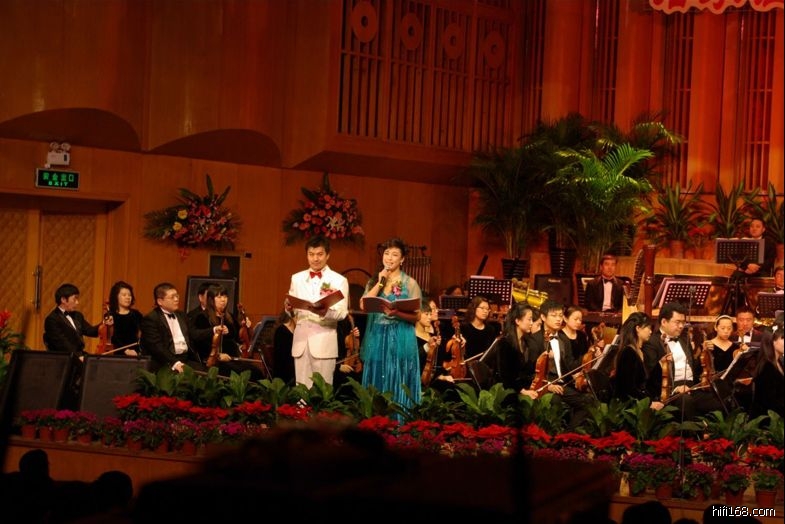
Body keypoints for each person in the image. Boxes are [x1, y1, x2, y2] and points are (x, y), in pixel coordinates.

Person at [360, 237, 422, 413]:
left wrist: (396, 313)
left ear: (402, 259)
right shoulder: (374, 281)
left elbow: (417, 316)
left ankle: (400, 421)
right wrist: (380, 282)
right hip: (378, 336)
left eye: (395, 254)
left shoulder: (410, 283)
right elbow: (364, 305)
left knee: (399, 375)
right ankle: (375, 421)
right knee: (377, 376)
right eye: (386, 253)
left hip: (401, 335)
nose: (389, 258)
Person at [285, 235, 349, 388]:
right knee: (302, 391)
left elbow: (342, 313)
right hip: (301, 342)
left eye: (320, 254)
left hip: (324, 341)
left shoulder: (339, 280)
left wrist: (323, 311)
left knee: (323, 390)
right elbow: (293, 312)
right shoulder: (297, 278)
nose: (315, 258)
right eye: (311, 254)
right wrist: (289, 309)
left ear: (327, 255)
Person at [642, 302, 723, 420]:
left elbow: (693, 369)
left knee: (719, 400)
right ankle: (693, 431)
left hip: (691, 387)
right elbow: (651, 376)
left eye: (683, 322)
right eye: (677, 322)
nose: (681, 326)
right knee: (686, 401)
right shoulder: (652, 342)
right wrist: (675, 389)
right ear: (664, 322)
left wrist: (703, 352)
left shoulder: (684, 339)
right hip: (670, 391)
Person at [524, 299, 593, 429]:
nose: (558, 319)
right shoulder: (535, 340)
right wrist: (548, 385)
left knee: (589, 400)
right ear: (543, 317)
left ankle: (567, 434)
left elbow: (570, 365)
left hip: (563, 383)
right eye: (554, 315)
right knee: (555, 400)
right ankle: (551, 435)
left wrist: (587, 357)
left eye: (560, 315)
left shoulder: (563, 339)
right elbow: (530, 371)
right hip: (545, 384)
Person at [188, 284, 263, 380]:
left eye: (225, 296)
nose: (223, 300)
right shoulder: (202, 317)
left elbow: (238, 338)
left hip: (233, 358)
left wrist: (244, 327)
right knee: (243, 374)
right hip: (216, 361)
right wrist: (218, 355)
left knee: (257, 372)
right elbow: (201, 343)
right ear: (211, 300)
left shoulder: (229, 317)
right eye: (219, 297)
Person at [140, 282, 204, 373]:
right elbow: (156, 347)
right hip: (165, 362)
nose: (176, 299)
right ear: (160, 301)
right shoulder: (151, 319)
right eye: (172, 297)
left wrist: (213, 330)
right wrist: (175, 362)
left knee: (209, 374)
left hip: (185, 359)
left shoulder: (182, 315)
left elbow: (194, 333)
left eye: (177, 296)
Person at [611, 312, 664, 410]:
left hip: (640, 403)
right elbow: (628, 388)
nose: (651, 332)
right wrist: (649, 404)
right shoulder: (628, 353)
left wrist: (660, 364)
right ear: (638, 328)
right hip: (630, 408)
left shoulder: (641, 351)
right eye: (648, 328)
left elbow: (645, 382)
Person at [43, 283, 112, 356]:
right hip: (64, 357)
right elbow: (62, 345)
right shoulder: (52, 319)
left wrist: (104, 322)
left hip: (79, 355)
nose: (77, 302)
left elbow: (91, 331)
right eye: (74, 299)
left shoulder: (77, 315)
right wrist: (78, 357)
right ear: (63, 299)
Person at [495, 301, 539, 399]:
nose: (532, 323)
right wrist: (523, 391)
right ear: (518, 321)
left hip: (523, 387)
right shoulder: (505, 343)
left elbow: (528, 372)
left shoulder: (526, 342)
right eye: (529, 319)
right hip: (508, 391)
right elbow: (505, 376)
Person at [751, 327, 784, 417]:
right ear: (772, 341)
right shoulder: (766, 367)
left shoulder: (779, 361)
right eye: (783, 338)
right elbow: (769, 403)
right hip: (768, 419)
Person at [107, 280, 143, 356]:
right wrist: (125, 350)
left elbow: (144, 332)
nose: (128, 297)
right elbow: (113, 337)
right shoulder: (111, 315)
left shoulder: (136, 314)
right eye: (124, 295)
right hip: (117, 353)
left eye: (129, 295)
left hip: (135, 352)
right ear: (116, 297)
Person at [460, 296, 501, 360]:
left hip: (484, 364)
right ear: (474, 308)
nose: (485, 311)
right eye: (482, 308)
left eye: (487, 309)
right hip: (467, 363)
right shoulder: (464, 327)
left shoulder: (490, 329)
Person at [272, 310, 296, 384]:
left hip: (290, 372)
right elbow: (283, 361)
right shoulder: (281, 331)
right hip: (284, 379)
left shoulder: (293, 332)